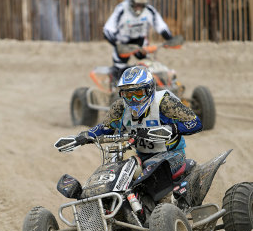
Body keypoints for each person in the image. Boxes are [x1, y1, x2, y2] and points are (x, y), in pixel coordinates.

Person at [70, 65, 202, 181]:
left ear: (149, 89)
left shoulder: (165, 103)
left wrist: (171, 129)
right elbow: (105, 128)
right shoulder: (120, 107)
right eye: (128, 95)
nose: (133, 99)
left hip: (172, 154)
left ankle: (167, 203)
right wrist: (83, 136)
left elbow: (195, 123)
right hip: (140, 155)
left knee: (150, 176)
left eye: (138, 93)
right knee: (115, 173)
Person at [103, 0, 173, 82]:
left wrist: (170, 39)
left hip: (140, 41)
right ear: (131, 2)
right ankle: (116, 87)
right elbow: (107, 29)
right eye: (136, 5)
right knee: (119, 69)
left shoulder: (149, 10)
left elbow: (161, 26)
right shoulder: (122, 9)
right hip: (123, 43)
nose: (138, 8)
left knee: (147, 66)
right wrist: (117, 44)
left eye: (141, 5)